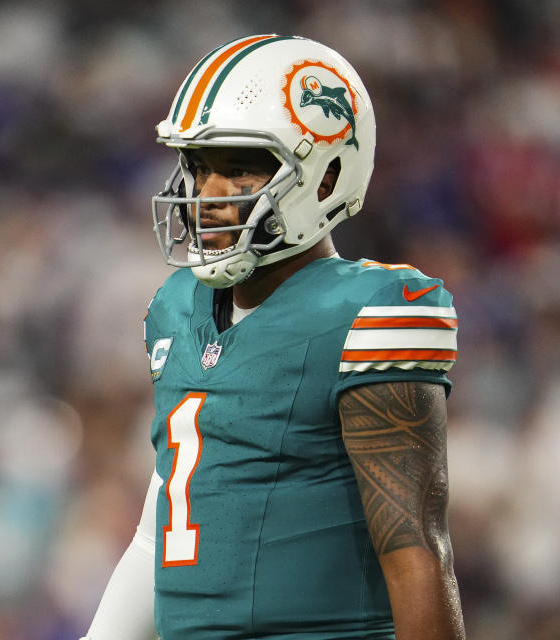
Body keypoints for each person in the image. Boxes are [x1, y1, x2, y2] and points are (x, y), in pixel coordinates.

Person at [81, 34, 465, 640]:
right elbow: (166, 518)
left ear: (326, 174)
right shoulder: (176, 309)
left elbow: (416, 553)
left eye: (236, 169)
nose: (206, 194)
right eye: (199, 166)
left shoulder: (368, 312)